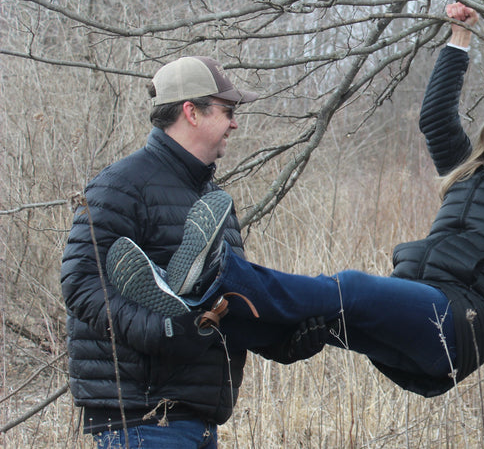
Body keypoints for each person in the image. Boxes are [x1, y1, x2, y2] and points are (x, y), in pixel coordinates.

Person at [107, 0, 484, 397]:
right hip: (417, 315)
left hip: (458, 323)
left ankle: (216, 274)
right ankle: (204, 308)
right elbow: (435, 119)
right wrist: (461, 37)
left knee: (348, 288)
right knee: (312, 319)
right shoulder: (467, 173)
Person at [61, 56, 325, 448]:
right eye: (228, 111)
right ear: (192, 112)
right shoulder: (120, 186)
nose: (235, 123)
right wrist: (164, 328)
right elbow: (81, 284)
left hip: (197, 419)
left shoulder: (214, 199)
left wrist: (284, 340)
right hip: (144, 418)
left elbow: (229, 302)